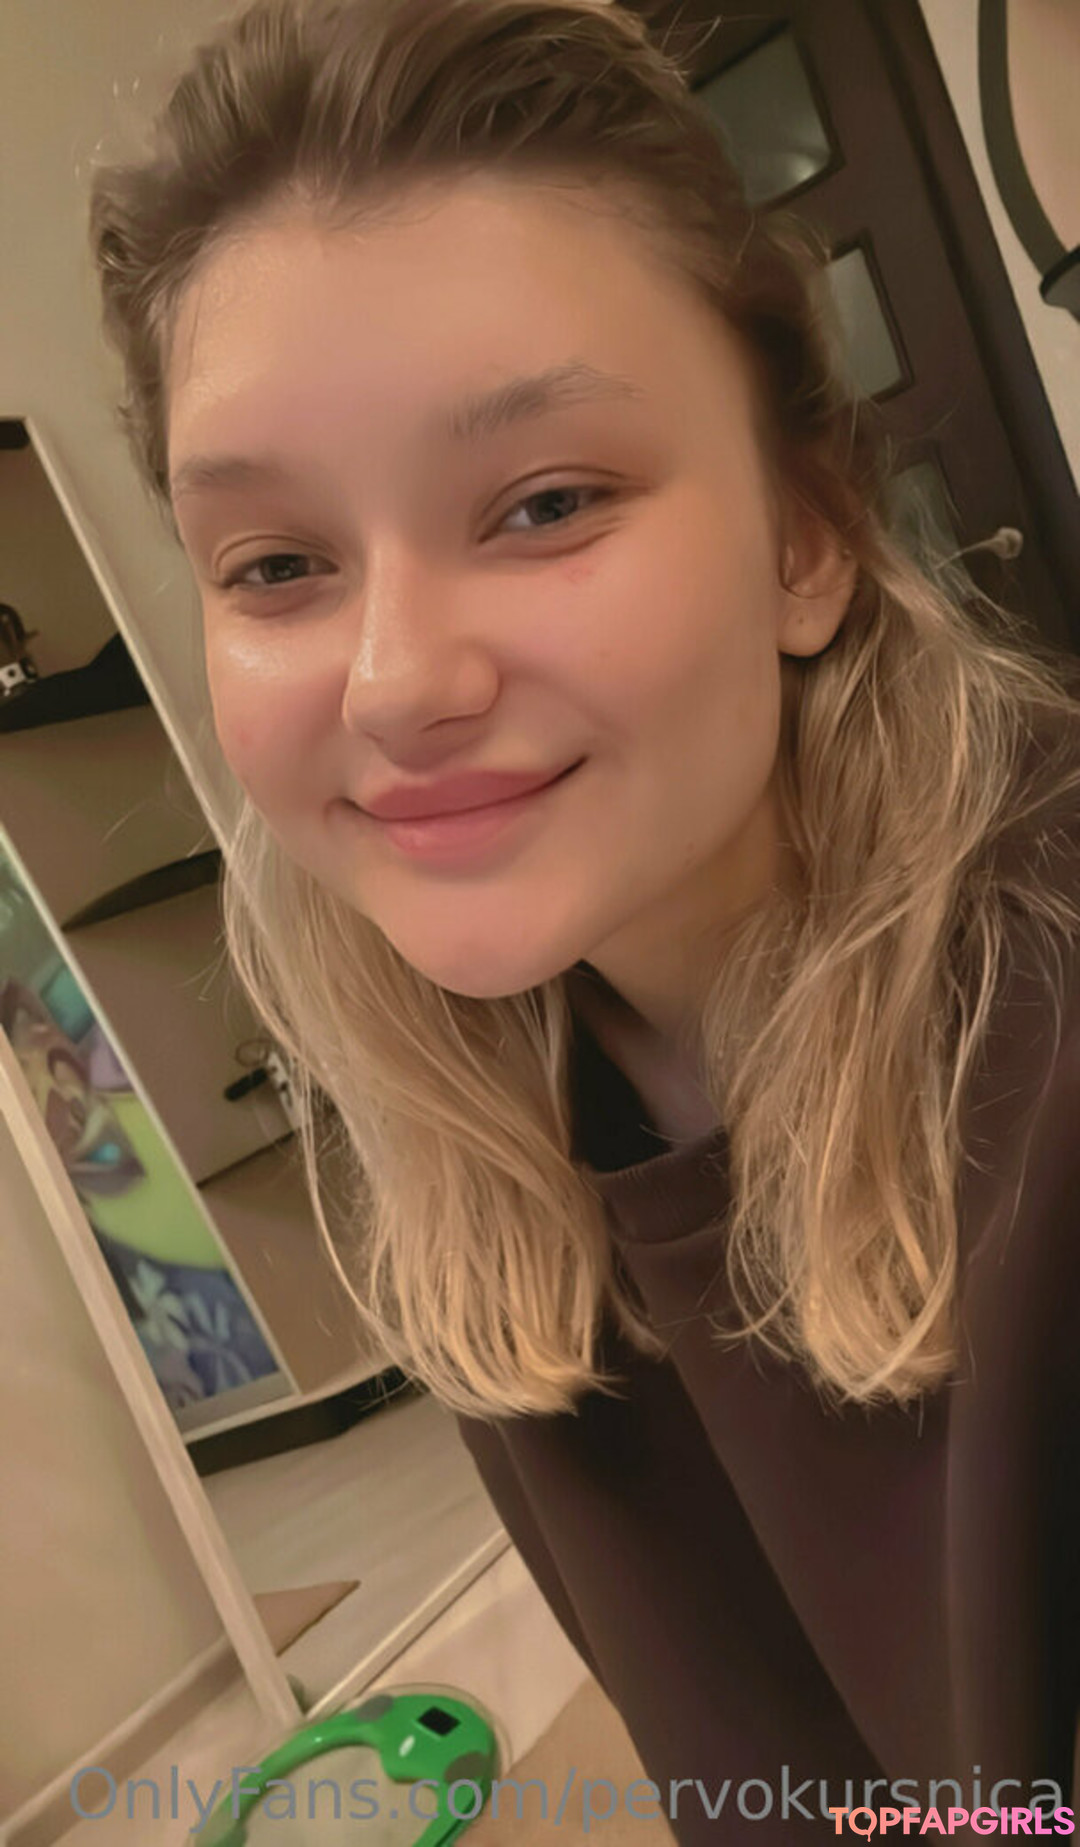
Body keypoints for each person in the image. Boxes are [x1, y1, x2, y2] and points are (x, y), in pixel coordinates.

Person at [88, 0, 1080, 1836]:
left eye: (545, 503)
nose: (396, 683)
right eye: (279, 565)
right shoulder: (476, 1132)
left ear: (805, 538)